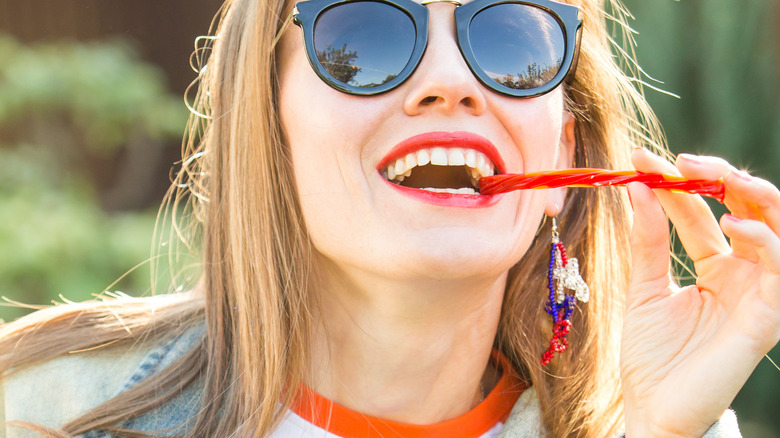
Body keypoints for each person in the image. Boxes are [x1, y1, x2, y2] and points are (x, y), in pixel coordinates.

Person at [1, 0, 778, 435]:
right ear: (267, 126)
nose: (449, 80)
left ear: (563, 153)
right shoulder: (39, 410)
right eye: (364, 33)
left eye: (511, 36)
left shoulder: (668, 426)